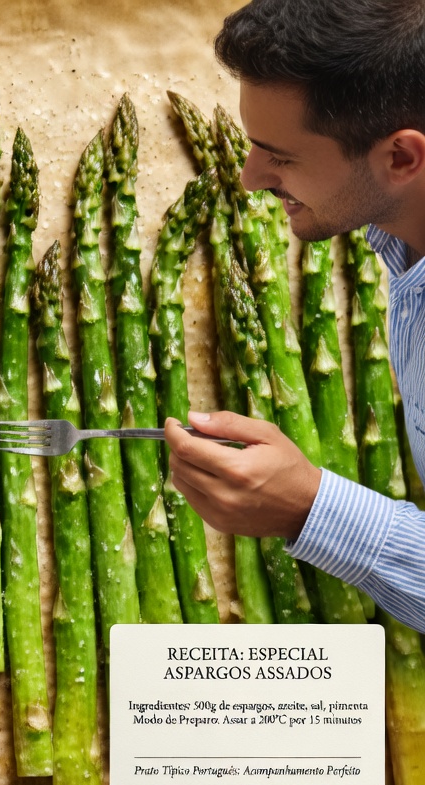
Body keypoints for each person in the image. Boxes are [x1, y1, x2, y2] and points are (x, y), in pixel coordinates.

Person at [163, 0, 425, 632]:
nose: (251, 178)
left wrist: (310, 506)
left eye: (279, 156)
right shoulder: (399, 245)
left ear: (401, 158)